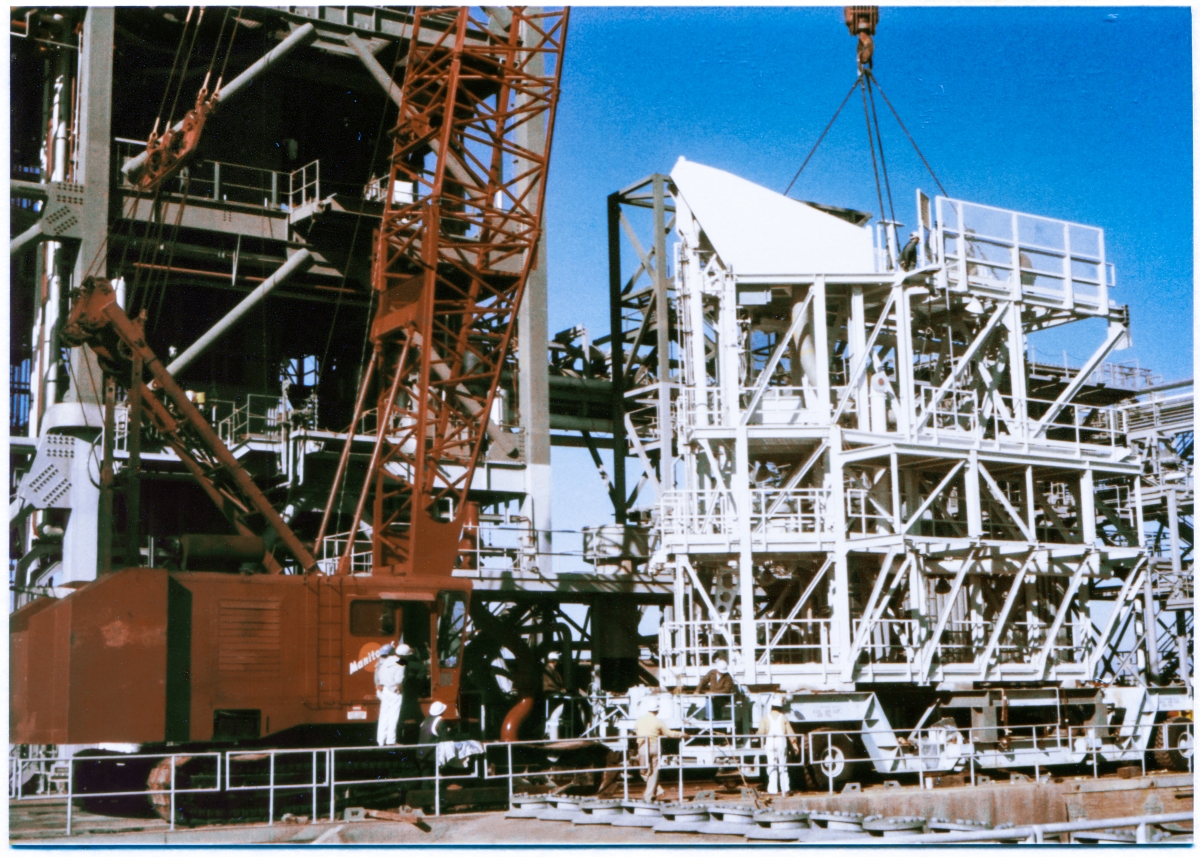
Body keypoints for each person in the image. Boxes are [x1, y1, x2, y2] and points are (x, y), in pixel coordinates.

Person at [635, 696, 682, 801]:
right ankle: (655, 792)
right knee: (653, 772)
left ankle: (652, 793)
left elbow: (637, 731)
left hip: (642, 746)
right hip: (655, 746)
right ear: (657, 710)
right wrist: (681, 734)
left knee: (643, 772)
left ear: (648, 709)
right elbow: (669, 733)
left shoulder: (639, 720)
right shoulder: (658, 722)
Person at [758, 695, 799, 796]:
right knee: (783, 765)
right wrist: (794, 745)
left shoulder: (765, 718)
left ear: (771, 706)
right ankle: (785, 789)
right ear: (780, 707)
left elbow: (761, 732)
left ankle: (772, 790)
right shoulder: (783, 717)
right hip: (781, 742)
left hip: (770, 742)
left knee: (771, 766)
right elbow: (790, 732)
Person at [374, 642, 411, 746]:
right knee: (393, 716)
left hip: (385, 690)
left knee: (383, 716)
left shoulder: (386, 660)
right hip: (395, 691)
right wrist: (400, 689)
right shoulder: (401, 662)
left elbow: (379, 674)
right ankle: (391, 741)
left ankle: (380, 741)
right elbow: (399, 679)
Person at [696, 657, 735, 722]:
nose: (721, 673)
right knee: (708, 699)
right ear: (717, 670)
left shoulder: (728, 677)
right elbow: (703, 681)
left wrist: (714, 693)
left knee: (717, 702)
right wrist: (697, 690)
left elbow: (727, 690)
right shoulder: (712, 673)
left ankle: (718, 720)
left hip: (723, 697)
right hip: (712, 697)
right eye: (720, 672)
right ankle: (709, 718)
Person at [418, 700, 450, 776]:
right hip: (431, 755)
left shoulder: (425, 720)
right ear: (442, 712)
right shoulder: (440, 721)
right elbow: (445, 739)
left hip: (421, 753)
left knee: (426, 777)